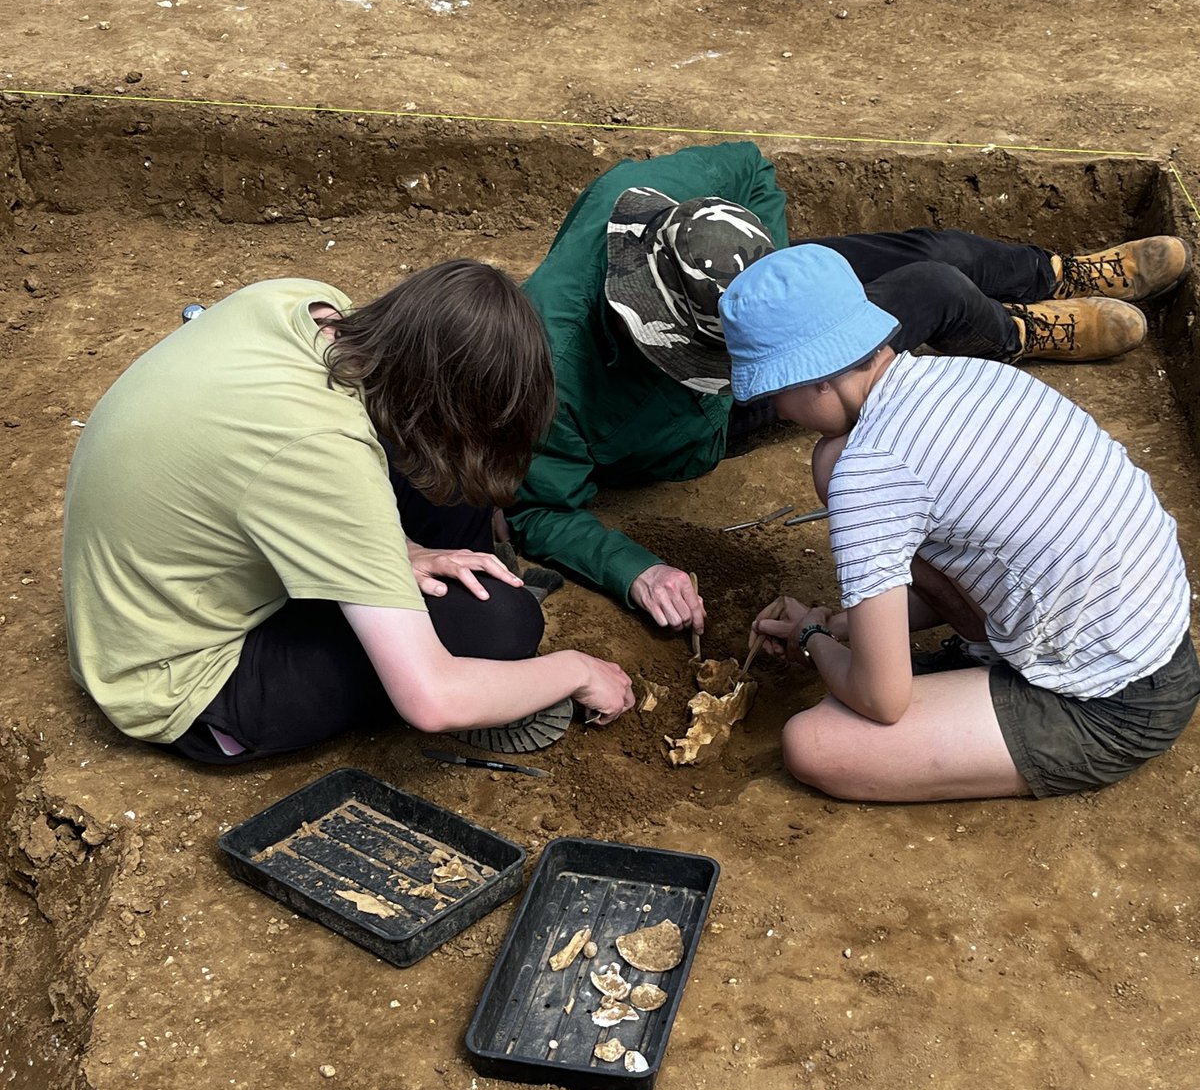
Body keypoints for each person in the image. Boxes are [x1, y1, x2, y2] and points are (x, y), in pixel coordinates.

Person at [506, 140, 1192, 638]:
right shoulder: (544, 367)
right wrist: (632, 568)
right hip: (692, 430)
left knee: (939, 261)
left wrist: (773, 285)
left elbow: (753, 165)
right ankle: (1014, 334)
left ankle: (1052, 276)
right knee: (930, 292)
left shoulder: (671, 198)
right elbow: (537, 509)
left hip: (774, 301)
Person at [63, 262, 634, 765]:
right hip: (177, 680)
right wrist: (578, 671)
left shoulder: (303, 303)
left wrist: (401, 551)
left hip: (159, 583)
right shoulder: (322, 454)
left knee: (454, 481)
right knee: (499, 620)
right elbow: (432, 700)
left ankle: (406, 554)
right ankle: (239, 728)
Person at [722, 244, 1199, 802]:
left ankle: (1005, 681)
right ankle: (984, 659)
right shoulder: (964, 377)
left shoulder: (870, 474)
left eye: (777, 392)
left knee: (815, 742)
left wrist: (814, 636)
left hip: (1115, 702)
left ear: (817, 379)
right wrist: (845, 621)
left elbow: (882, 698)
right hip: (1146, 630)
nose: (778, 411)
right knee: (834, 459)